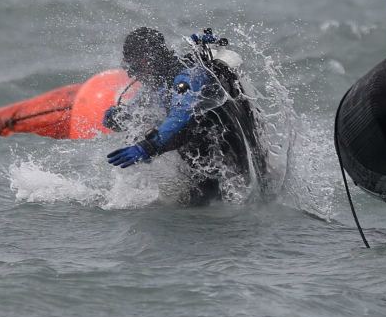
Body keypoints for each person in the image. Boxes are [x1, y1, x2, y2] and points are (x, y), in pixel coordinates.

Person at [103, 26, 267, 203]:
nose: (130, 71)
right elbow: (136, 112)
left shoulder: (186, 76)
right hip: (203, 150)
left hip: (224, 145)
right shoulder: (158, 83)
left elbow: (181, 115)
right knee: (195, 201)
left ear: (146, 60)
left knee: (211, 200)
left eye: (133, 63)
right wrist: (117, 117)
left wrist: (147, 147)